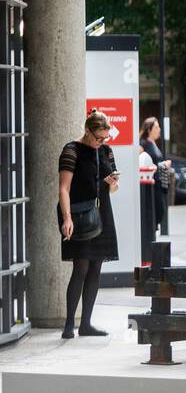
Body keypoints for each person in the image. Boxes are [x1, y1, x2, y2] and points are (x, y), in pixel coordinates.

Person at [58, 110, 120, 338]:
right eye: (98, 138)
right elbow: (63, 188)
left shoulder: (106, 151)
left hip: (102, 213)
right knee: (81, 267)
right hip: (77, 214)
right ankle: (68, 325)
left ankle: (86, 324)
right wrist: (66, 218)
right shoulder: (71, 150)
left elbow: (114, 188)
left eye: (105, 138)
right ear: (87, 130)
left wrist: (112, 183)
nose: (101, 142)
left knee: (96, 267)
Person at [139, 117, 173, 235]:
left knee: (160, 211)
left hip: (159, 183)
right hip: (151, 184)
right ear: (149, 130)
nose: (159, 130)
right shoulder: (143, 144)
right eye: (157, 127)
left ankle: (151, 233)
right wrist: (163, 164)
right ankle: (149, 235)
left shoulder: (153, 143)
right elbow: (141, 162)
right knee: (156, 211)